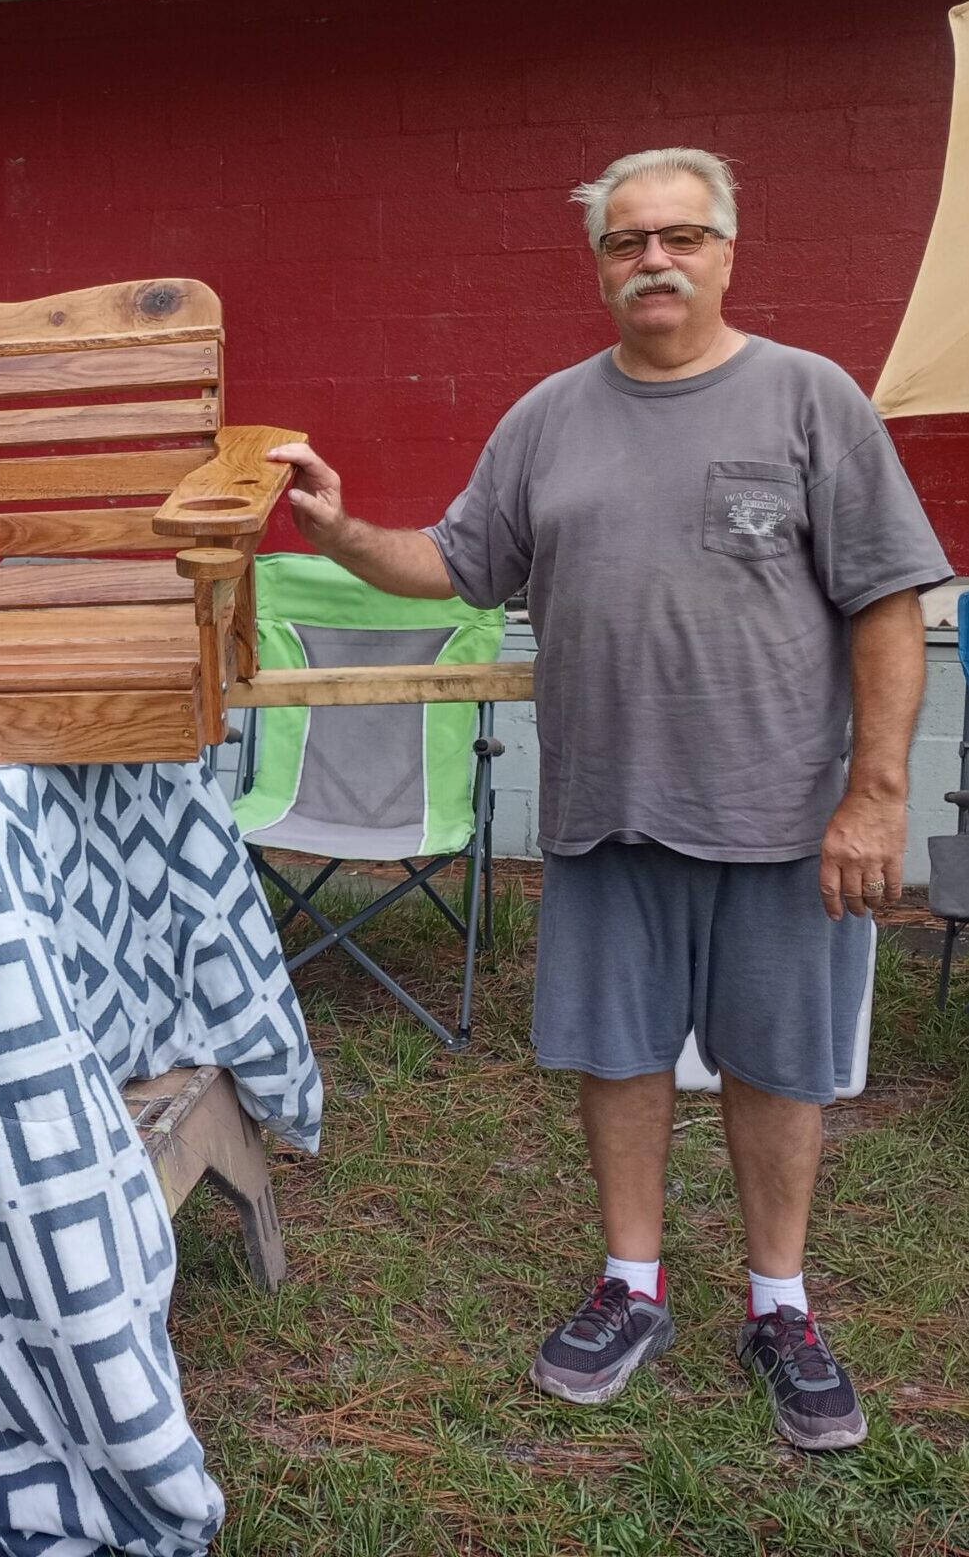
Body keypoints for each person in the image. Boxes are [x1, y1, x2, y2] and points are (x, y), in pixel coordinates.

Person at [267, 147, 951, 1451]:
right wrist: (345, 533)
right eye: (627, 241)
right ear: (599, 267)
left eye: (680, 236)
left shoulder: (809, 400)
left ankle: (780, 1306)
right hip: (602, 810)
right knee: (618, 1055)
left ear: (727, 252)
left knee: (778, 1066)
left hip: (776, 818)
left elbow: (886, 603)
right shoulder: (547, 417)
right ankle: (630, 1285)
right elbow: (457, 562)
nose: (654, 260)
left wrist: (874, 794)